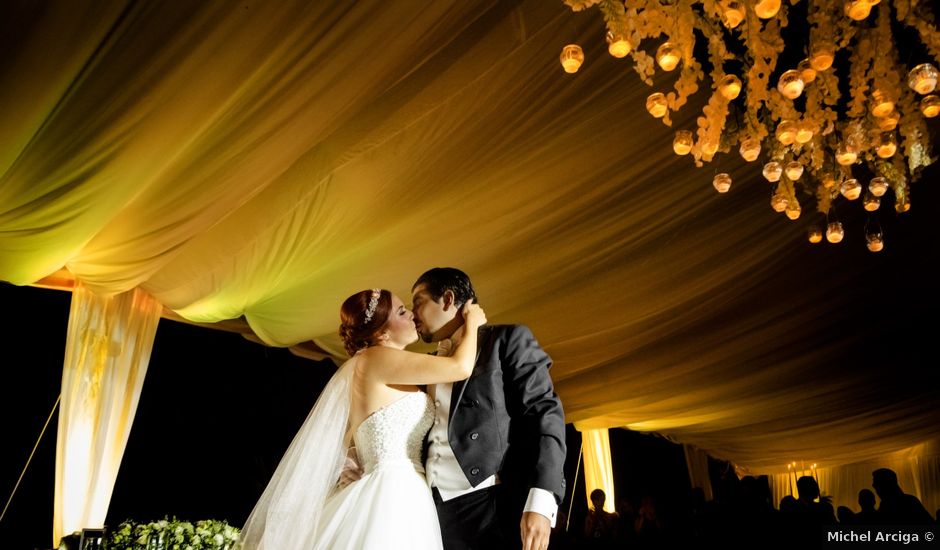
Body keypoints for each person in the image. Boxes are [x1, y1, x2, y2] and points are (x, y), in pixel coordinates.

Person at [237, 288, 487, 550]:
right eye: (402, 312)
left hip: (402, 486)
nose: (412, 315)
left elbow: (358, 426)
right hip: (393, 490)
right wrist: (472, 322)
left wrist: (349, 457)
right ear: (382, 333)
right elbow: (459, 367)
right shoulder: (377, 358)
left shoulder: (371, 362)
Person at [410, 267, 567, 550]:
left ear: (447, 299)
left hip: (491, 505)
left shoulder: (506, 340)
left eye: (418, 301)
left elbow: (545, 414)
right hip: (429, 508)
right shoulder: (429, 363)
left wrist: (542, 498)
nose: (412, 314)